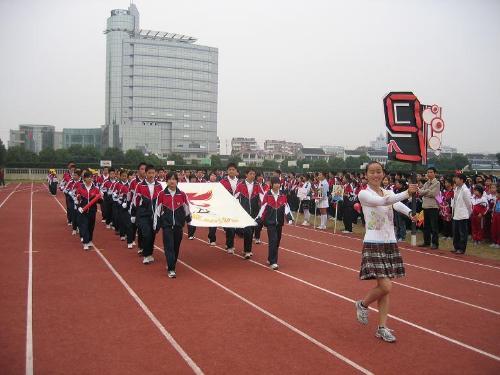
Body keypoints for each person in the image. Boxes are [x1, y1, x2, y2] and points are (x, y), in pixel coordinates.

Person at [354, 161, 417, 343]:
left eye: (379, 171)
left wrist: (411, 213)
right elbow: (384, 202)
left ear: (383, 174)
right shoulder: (364, 194)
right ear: (366, 175)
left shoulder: (388, 191)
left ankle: (382, 327)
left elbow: (397, 205)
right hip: (374, 242)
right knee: (386, 286)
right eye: (372, 172)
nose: (376, 175)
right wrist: (407, 193)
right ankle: (362, 304)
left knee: (385, 290)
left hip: (390, 242)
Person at [155, 172, 192, 278]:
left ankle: (172, 263)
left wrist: (189, 222)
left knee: (176, 247)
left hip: (178, 226)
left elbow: (186, 209)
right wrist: (157, 225)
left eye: (174, 179)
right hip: (167, 225)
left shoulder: (182, 194)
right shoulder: (162, 194)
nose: (172, 181)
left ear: (177, 181)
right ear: (167, 181)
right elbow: (157, 211)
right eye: (170, 179)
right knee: (169, 247)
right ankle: (171, 269)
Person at [256, 177, 294, 270]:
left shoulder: (282, 195)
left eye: (278, 183)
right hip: (270, 222)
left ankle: (270, 258)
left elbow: (286, 207)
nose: (277, 185)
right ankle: (273, 262)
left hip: (279, 223)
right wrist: (259, 218)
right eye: (275, 183)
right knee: (273, 240)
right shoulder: (267, 195)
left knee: (277, 242)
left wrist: (289, 218)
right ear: (272, 184)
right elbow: (263, 207)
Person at [132, 165, 163, 264]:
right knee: (147, 234)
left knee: (153, 235)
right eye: (149, 173)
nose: (151, 175)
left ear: (155, 174)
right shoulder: (140, 185)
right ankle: (146, 255)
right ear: (145, 173)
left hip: (154, 215)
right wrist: (133, 214)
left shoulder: (159, 186)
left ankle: (149, 254)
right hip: (143, 214)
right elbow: (135, 200)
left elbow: (161, 201)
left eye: (153, 173)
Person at [234, 168, 263, 259]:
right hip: (244, 211)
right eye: (251, 174)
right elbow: (235, 197)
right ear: (246, 175)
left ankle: (247, 249)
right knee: (248, 231)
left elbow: (263, 198)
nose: (253, 176)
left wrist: (262, 210)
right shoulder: (240, 185)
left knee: (251, 231)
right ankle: (247, 251)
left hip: (254, 212)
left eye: (254, 174)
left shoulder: (257, 185)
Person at [75, 171, 102, 251]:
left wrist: (100, 197)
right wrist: (79, 206)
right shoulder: (80, 188)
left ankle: (89, 240)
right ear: (84, 178)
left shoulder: (96, 189)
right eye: (88, 177)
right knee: (84, 226)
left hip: (92, 211)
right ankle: (85, 242)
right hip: (83, 211)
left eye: (91, 177)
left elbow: (100, 201)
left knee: (91, 226)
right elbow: (77, 199)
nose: (90, 179)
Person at [418, 167, 440, 249]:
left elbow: (434, 194)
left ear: (435, 173)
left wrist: (425, 192)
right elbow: (420, 192)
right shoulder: (426, 183)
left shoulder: (437, 183)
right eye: (428, 172)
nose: (429, 174)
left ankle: (435, 243)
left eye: (431, 172)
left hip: (433, 207)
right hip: (425, 206)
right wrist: (427, 191)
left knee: (434, 226)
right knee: (426, 226)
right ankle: (426, 242)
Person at [220, 163, 239, 254]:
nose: (231, 171)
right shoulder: (223, 182)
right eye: (230, 169)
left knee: (233, 227)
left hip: (236, 207)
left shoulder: (239, 182)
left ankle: (229, 244)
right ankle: (230, 245)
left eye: (233, 169)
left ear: (236, 171)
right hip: (226, 207)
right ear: (227, 171)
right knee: (229, 227)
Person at [451, 174, 472, 254]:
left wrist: (468, 213)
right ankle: (456, 247)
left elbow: (468, 204)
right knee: (455, 232)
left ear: (462, 180)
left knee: (462, 233)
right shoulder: (456, 189)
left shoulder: (465, 190)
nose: (455, 180)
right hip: (456, 213)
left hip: (463, 214)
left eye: (457, 178)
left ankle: (462, 248)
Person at [207, 171, 218, 246]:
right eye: (212, 175)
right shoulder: (206, 184)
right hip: (207, 206)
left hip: (216, 206)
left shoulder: (218, 185)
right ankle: (211, 237)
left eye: (214, 176)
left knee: (214, 223)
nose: (213, 177)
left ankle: (212, 239)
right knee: (210, 222)